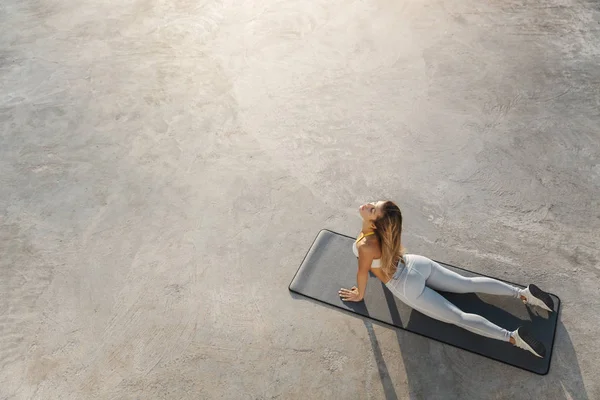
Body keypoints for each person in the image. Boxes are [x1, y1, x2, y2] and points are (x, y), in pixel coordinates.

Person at [338, 200, 554, 358]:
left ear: (376, 221)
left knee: (459, 317)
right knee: (466, 283)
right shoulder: (386, 232)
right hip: (416, 263)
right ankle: (523, 294)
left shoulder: (365, 245)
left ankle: (514, 337)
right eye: (373, 203)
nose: (368, 204)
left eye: (373, 207)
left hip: (406, 285)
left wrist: (359, 294)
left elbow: (361, 274)